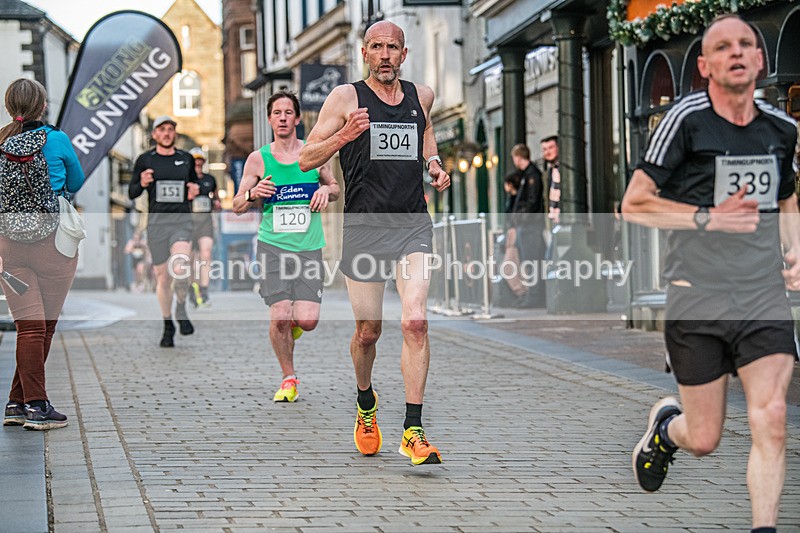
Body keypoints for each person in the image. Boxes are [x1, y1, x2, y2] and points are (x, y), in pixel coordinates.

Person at [621, 14, 800, 533]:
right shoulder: (686, 121)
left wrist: (795, 250)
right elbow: (634, 204)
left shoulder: (781, 129)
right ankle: (664, 431)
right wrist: (708, 218)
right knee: (704, 438)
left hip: (762, 295)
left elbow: (787, 198)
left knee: (770, 417)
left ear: (761, 60)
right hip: (695, 295)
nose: (737, 52)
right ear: (705, 65)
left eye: (747, 43)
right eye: (723, 47)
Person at [299, 20, 451, 465]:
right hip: (364, 228)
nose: (385, 55)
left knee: (415, 322)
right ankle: (366, 402)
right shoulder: (345, 98)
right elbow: (308, 156)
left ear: (404, 54)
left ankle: (413, 429)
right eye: (376, 47)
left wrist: (435, 164)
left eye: (393, 48)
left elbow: (425, 131)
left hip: (411, 225)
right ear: (364, 52)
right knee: (369, 332)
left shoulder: (422, 96)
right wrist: (345, 135)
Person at [234, 90, 339, 403]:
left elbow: (333, 186)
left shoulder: (312, 152)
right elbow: (237, 204)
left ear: (297, 118)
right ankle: (288, 377)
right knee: (279, 316)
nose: (282, 118)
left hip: (308, 248)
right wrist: (254, 193)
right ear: (270, 119)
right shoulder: (258, 159)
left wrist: (325, 191)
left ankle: (292, 323)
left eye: (287, 112)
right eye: (276, 113)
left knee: (307, 321)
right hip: (273, 248)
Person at [0, 78, 85, 430]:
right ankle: (36, 405)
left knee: (27, 326)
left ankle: (17, 404)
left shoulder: (1, 143)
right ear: (43, 106)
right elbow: (77, 182)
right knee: (42, 327)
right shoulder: (58, 139)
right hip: (53, 248)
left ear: (9, 107)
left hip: (9, 250)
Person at [129, 116, 200, 347]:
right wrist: (142, 182)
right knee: (163, 277)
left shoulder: (186, 159)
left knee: (180, 268)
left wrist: (194, 191)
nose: (167, 133)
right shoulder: (145, 159)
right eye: (162, 130)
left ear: (175, 134)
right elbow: (132, 192)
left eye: (171, 129)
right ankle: (168, 323)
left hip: (181, 222)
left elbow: (193, 187)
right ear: (154, 135)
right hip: (157, 224)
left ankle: (181, 307)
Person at [510, 143, 547, 307]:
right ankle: (532, 294)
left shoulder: (532, 175)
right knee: (528, 261)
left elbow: (532, 201)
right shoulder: (525, 175)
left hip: (531, 226)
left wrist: (521, 217)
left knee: (532, 261)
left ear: (518, 157)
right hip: (526, 226)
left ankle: (535, 296)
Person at [188, 147, 219, 308]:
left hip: (205, 221)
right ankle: (193, 288)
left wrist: (216, 203)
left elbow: (217, 199)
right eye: (195, 160)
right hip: (189, 223)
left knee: (206, 254)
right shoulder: (186, 179)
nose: (198, 163)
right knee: (192, 259)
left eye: (200, 160)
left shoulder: (210, 179)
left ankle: (204, 290)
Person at [500, 171, 527, 303]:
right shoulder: (511, 198)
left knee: (509, 266)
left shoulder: (518, 199)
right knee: (514, 265)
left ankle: (522, 291)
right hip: (512, 232)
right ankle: (522, 292)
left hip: (517, 232)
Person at [540, 135, 560, 226]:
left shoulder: (563, 170)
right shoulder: (548, 173)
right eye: (544, 149)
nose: (547, 152)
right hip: (553, 220)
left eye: (551, 148)